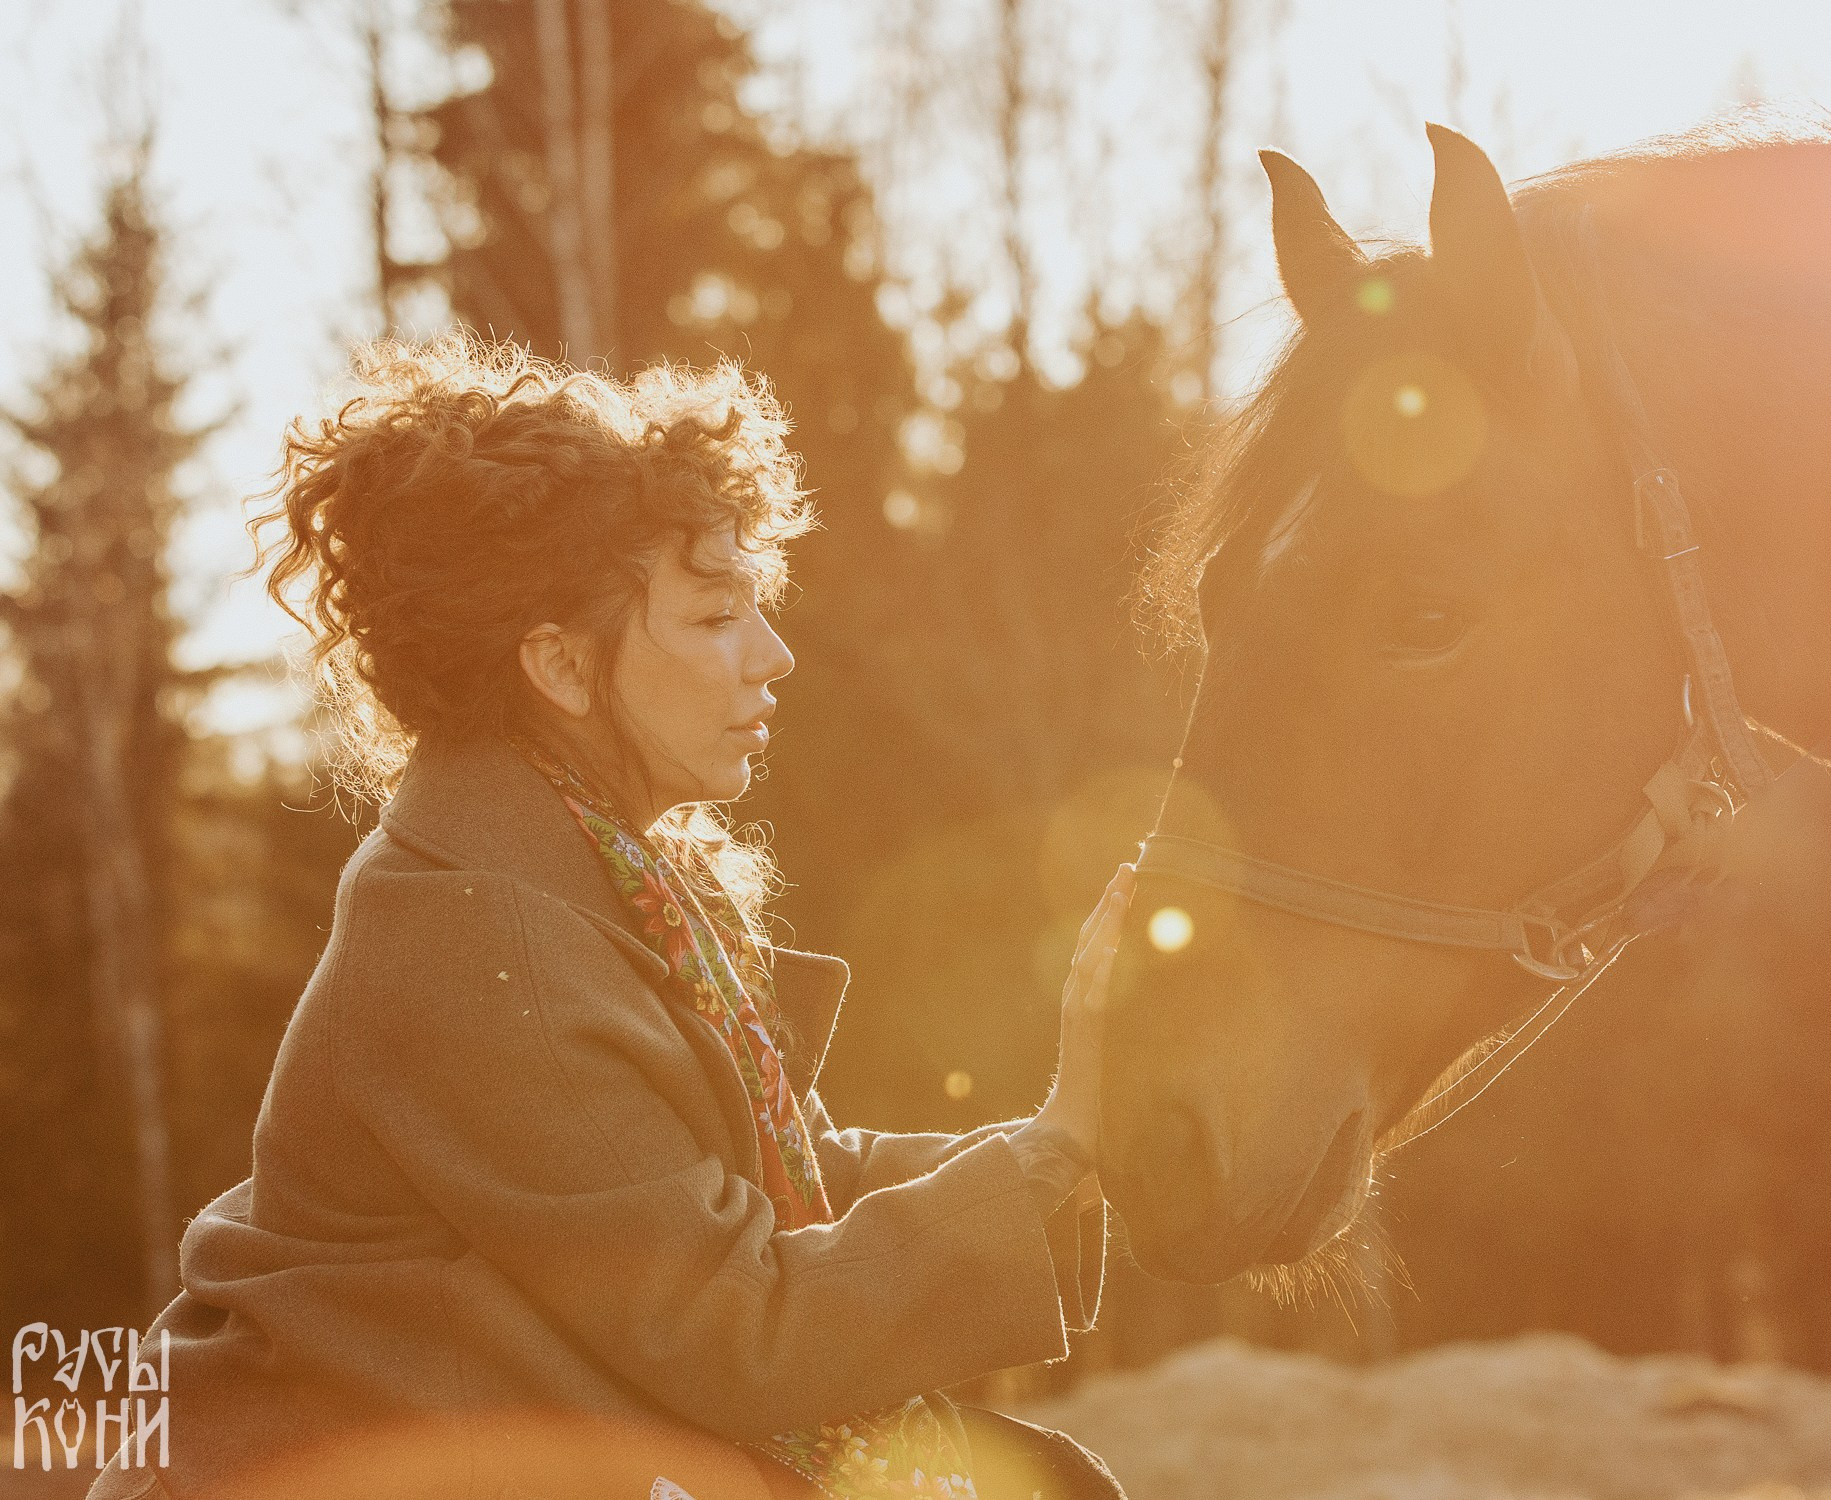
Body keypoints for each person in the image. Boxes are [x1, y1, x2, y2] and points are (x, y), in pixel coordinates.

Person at [84, 336, 1132, 1500]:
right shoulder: (482, 933)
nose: (774, 655)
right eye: (715, 616)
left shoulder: (612, 869)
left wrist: (1084, 1149)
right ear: (561, 666)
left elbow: (772, 1185)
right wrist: (1050, 1154)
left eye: (758, 606)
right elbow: (739, 1325)